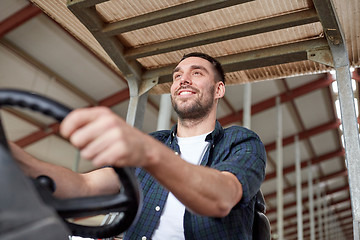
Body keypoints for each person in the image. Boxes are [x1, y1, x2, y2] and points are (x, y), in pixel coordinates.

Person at [10, 52, 266, 240]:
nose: (182, 80)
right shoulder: (155, 141)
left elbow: (221, 198)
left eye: (196, 73)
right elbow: (84, 186)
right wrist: (12, 155)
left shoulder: (241, 141)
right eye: (177, 75)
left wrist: (149, 153)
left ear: (219, 89)